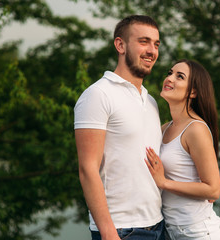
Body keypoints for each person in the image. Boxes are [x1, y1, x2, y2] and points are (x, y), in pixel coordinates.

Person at [74, 15, 165, 240]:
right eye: (144, 41)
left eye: (156, 44)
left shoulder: (150, 100)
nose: (152, 51)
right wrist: (108, 233)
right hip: (121, 231)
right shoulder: (98, 95)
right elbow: (87, 169)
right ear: (120, 45)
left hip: (158, 225)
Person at [145, 59, 220, 240]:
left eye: (179, 76)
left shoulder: (195, 129)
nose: (170, 78)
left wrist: (164, 182)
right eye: (170, 73)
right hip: (170, 231)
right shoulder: (165, 128)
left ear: (193, 92)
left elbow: (213, 190)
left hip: (199, 233)